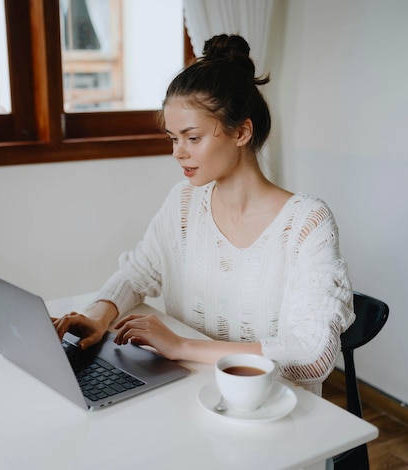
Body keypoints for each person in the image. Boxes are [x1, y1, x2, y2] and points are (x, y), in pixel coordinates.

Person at [53, 34, 354, 396]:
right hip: (190, 395)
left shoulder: (308, 222)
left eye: (192, 138)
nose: (178, 153)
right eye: (172, 138)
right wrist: (99, 317)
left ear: (241, 131)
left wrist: (181, 346)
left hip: (271, 410)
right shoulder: (184, 203)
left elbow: (312, 355)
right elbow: (138, 272)